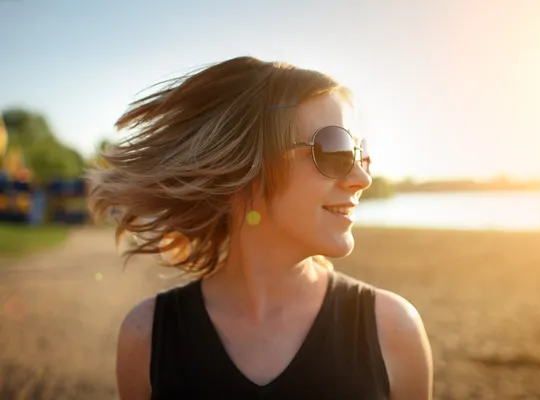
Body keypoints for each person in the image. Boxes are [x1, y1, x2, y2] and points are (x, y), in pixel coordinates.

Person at [88, 56, 433, 399]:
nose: (363, 178)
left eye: (360, 154)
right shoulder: (147, 336)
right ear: (246, 170)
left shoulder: (393, 329)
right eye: (334, 149)